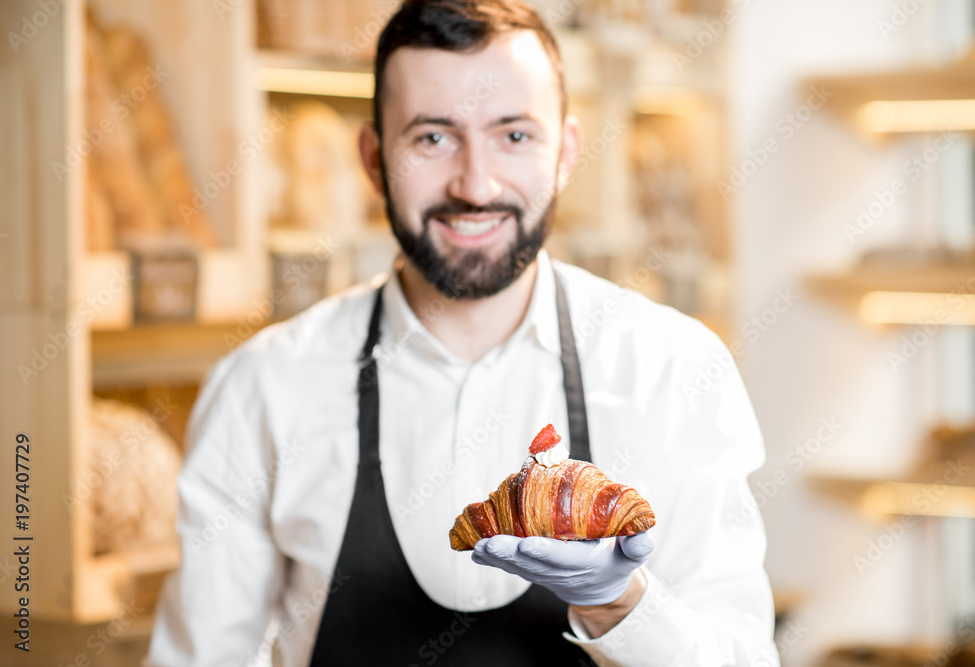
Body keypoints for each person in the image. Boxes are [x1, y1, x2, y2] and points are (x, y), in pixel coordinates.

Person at [145, 1, 776, 665]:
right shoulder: (264, 389)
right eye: (432, 138)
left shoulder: (673, 369)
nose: (476, 185)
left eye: (514, 136)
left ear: (565, 153)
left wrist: (622, 602)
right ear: (372, 159)